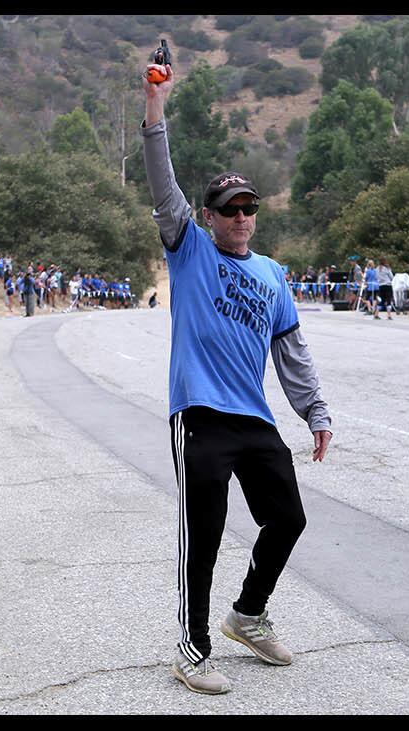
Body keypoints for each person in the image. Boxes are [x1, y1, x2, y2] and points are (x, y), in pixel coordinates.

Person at [142, 61, 333, 695]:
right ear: (209, 215)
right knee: (206, 533)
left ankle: (246, 615)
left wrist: (315, 412)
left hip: (253, 418)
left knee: (289, 518)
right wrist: (155, 106)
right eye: (230, 210)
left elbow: (292, 352)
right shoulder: (188, 247)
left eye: (249, 208)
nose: (242, 218)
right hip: (198, 414)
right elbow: (161, 182)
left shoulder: (274, 275)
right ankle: (191, 649)